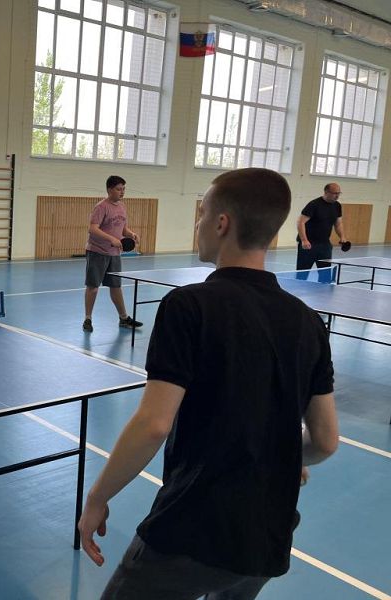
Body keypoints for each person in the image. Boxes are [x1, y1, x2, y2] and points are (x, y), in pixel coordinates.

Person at [77, 168, 339, 599]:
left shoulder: (187, 306)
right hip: (267, 534)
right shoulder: (309, 323)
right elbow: (325, 441)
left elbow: (153, 425)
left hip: (192, 528)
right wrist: (283, 456)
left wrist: (97, 497)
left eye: (202, 215)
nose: (197, 224)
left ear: (222, 224)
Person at [83, 175, 142, 333]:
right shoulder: (101, 207)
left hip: (114, 254)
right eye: (118, 189)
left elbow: (123, 229)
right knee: (93, 287)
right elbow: (92, 228)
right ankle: (88, 319)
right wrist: (111, 239)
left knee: (116, 286)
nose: (122, 192)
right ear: (109, 190)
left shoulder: (122, 207)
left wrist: (131, 234)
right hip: (97, 252)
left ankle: (123, 318)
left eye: (123, 189)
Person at [296, 183, 348, 282]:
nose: (337, 196)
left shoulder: (337, 206)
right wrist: (304, 240)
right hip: (308, 245)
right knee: (302, 275)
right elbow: (300, 222)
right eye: (334, 193)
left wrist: (342, 237)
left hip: (325, 245)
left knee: (325, 275)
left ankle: (324, 291)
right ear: (326, 192)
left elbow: (338, 223)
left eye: (339, 193)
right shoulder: (314, 204)